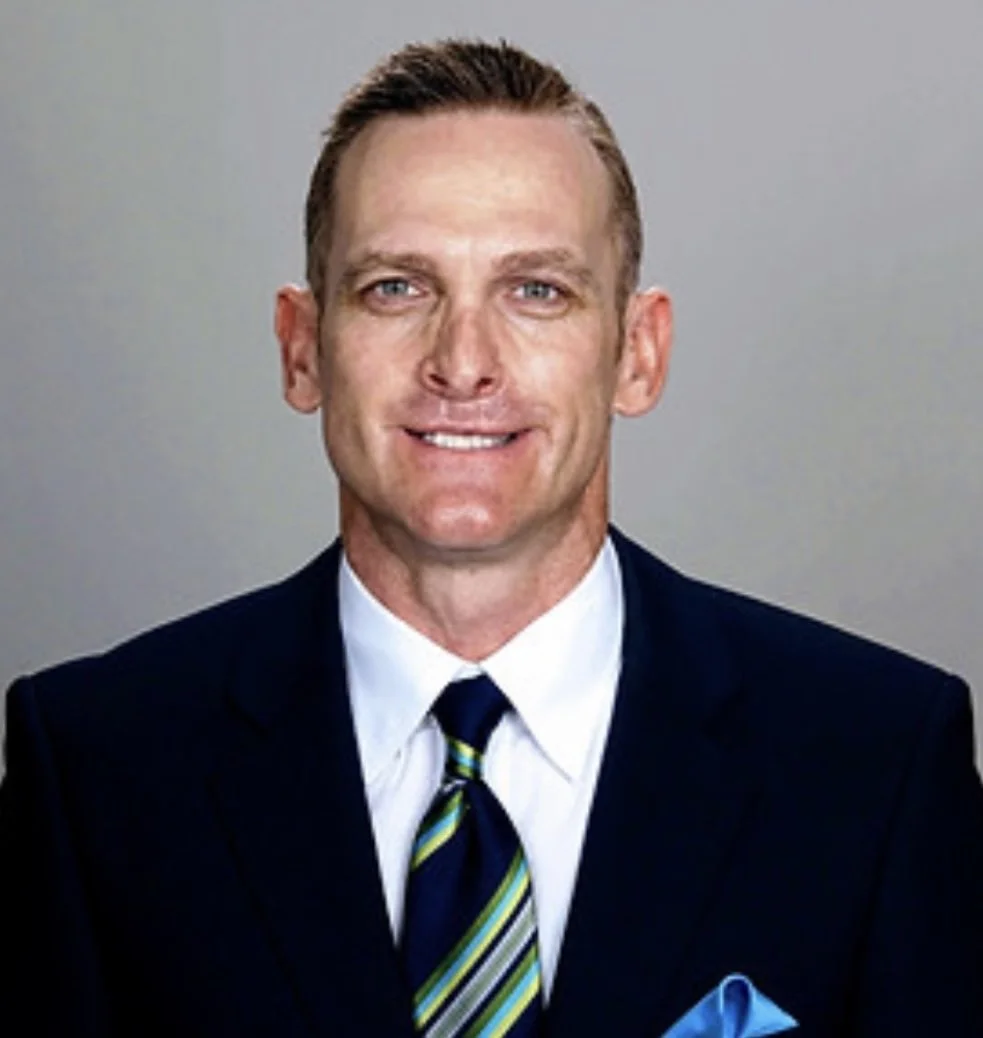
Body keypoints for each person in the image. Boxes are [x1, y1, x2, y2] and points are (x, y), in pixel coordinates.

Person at [1, 38, 981, 1038]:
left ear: (635, 355)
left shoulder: (876, 762)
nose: (462, 363)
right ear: (303, 350)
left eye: (535, 291)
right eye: (396, 287)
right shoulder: (97, 767)